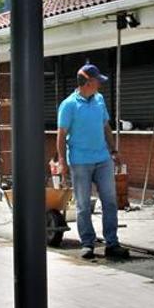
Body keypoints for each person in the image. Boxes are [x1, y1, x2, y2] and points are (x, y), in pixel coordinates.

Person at [56, 63, 129, 260]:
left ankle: (112, 243)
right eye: (98, 81)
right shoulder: (69, 105)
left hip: (103, 159)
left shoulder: (99, 100)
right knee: (83, 205)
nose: (100, 84)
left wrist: (113, 150)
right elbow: (61, 135)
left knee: (110, 202)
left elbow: (106, 126)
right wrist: (62, 161)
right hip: (80, 161)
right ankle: (87, 243)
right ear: (88, 82)